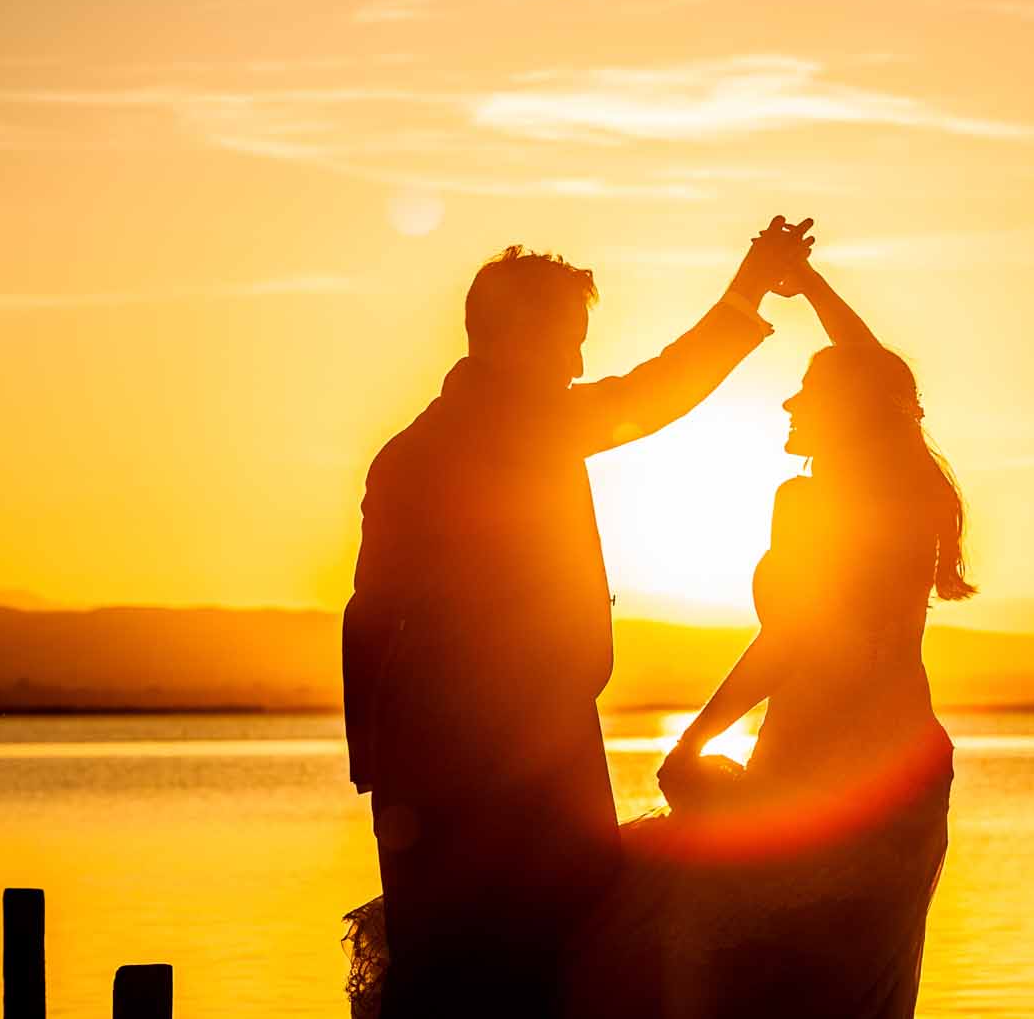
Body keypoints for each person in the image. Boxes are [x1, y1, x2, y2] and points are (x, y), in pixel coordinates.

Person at [341, 217, 813, 1019]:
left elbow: (366, 616)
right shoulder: (524, 428)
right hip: (518, 774)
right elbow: (659, 389)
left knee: (450, 986)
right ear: (510, 336)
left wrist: (375, 769)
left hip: (431, 775)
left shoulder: (408, 451)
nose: (578, 361)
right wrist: (748, 286)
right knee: (542, 973)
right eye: (567, 339)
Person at [565, 250, 973, 1019]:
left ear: (847, 409)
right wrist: (810, 284)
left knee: (746, 976)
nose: (788, 401)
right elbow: (877, 372)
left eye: (808, 390)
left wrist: (695, 737)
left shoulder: (816, 503)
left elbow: (791, 641)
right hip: (901, 770)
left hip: (822, 768)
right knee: (843, 987)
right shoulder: (910, 490)